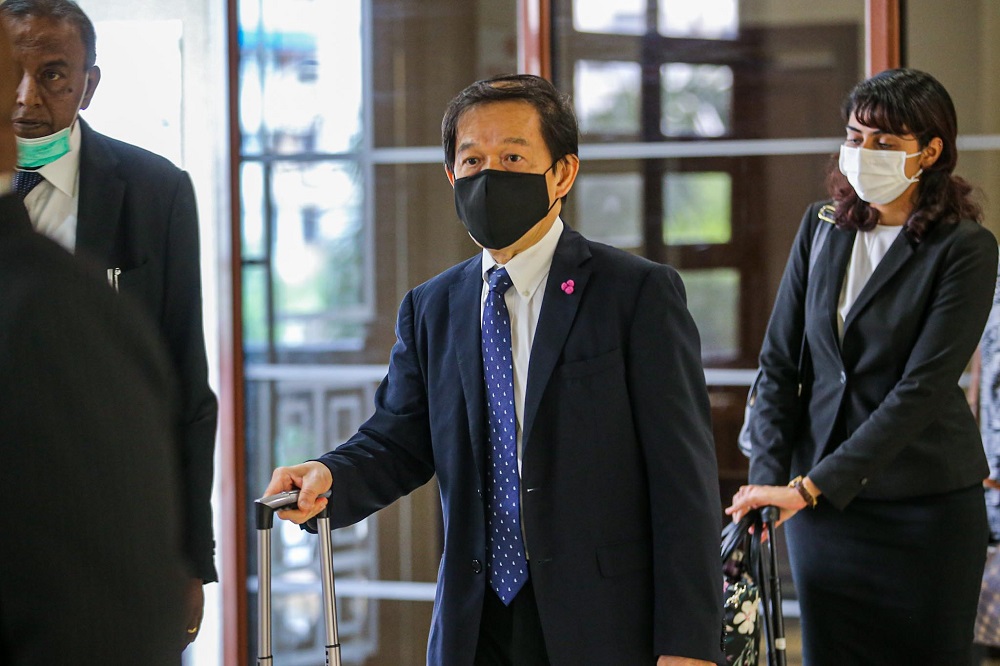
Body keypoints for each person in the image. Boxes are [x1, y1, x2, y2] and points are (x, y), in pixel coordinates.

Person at [263, 74, 723, 666]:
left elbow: (683, 480)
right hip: (474, 625)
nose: (489, 176)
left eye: (512, 156)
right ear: (452, 177)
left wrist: (688, 646)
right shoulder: (433, 306)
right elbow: (400, 439)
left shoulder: (635, 295)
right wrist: (330, 475)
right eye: (472, 160)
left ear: (562, 173)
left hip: (605, 623)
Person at [727, 68, 997, 664]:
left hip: (924, 509)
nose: (862, 153)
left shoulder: (966, 249)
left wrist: (808, 486)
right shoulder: (821, 228)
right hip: (822, 517)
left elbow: (920, 391)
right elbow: (778, 365)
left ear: (930, 152)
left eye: (884, 142)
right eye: (854, 137)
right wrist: (769, 481)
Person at [0, 0, 218, 644]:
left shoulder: (156, 192)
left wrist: (190, 558)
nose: (24, 99)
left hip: (108, 528)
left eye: (53, 75)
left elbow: (188, 388)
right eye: (9, 72)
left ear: (89, 85)